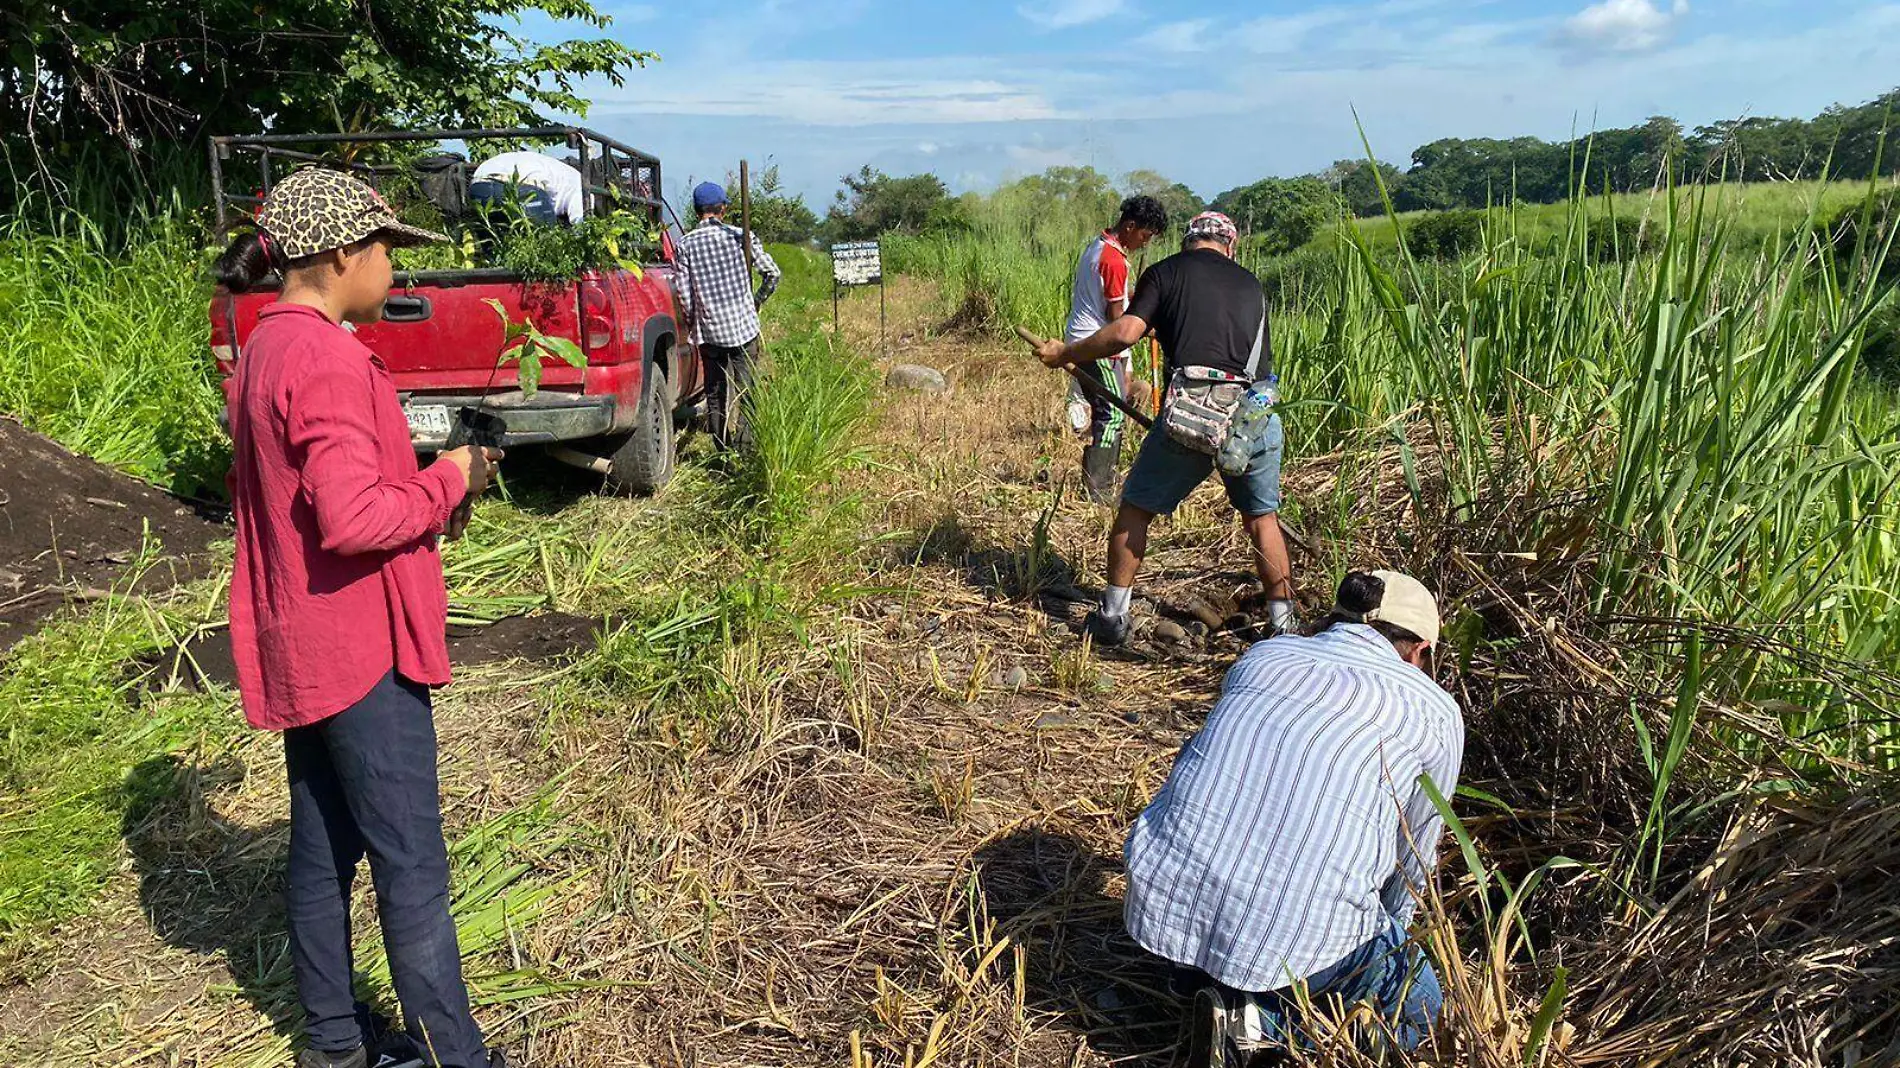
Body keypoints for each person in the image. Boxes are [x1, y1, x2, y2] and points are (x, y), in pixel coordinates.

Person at [214, 167, 510, 1068]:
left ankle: (335, 1045)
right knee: (410, 864)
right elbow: (353, 519)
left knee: (322, 849)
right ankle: (454, 1055)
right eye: (387, 251)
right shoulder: (330, 359)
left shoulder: (268, 343)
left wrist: (419, 485)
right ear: (342, 254)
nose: (396, 269)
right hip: (359, 649)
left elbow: (316, 498)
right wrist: (450, 479)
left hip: (303, 640)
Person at [1123, 571, 1463, 1065]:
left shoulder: (1265, 655)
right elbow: (1414, 855)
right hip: (1287, 928)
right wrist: (1384, 937)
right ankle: (1266, 1030)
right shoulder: (1435, 710)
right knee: (1423, 1006)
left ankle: (1204, 981)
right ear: (1418, 650)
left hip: (1162, 899)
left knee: (1270, 925)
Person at [1032, 211, 1294, 646]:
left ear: (1188, 242)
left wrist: (1068, 353)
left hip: (1192, 414)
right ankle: (1283, 626)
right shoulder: (1250, 284)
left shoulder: (1166, 272)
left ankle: (1113, 619)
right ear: (1230, 247)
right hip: (1253, 416)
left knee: (1135, 509)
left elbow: (1124, 333)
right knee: (1263, 520)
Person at [1064, 195, 1169, 503]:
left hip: (1084, 341)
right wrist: (1147, 324)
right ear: (1131, 226)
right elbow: (1116, 319)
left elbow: (1116, 296)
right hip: (1098, 345)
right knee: (1111, 414)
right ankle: (1100, 489)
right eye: (1145, 236)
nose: (1145, 243)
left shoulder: (1100, 247)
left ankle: (1100, 476)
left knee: (1118, 403)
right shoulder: (1113, 259)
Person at [676, 180, 782, 450]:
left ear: (697, 211)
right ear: (722, 208)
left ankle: (722, 449)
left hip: (711, 332)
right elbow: (772, 274)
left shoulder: (685, 245)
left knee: (716, 392)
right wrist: (755, 302)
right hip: (744, 328)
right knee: (747, 389)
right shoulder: (740, 236)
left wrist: (693, 324)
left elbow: (685, 296)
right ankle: (745, 447)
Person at [470, 150, 585, 226]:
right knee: (546, 238)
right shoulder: (582, 186)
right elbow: (579, 224)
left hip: (478, 183)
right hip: (517, 184)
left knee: (497, 241)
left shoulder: (565, 172)